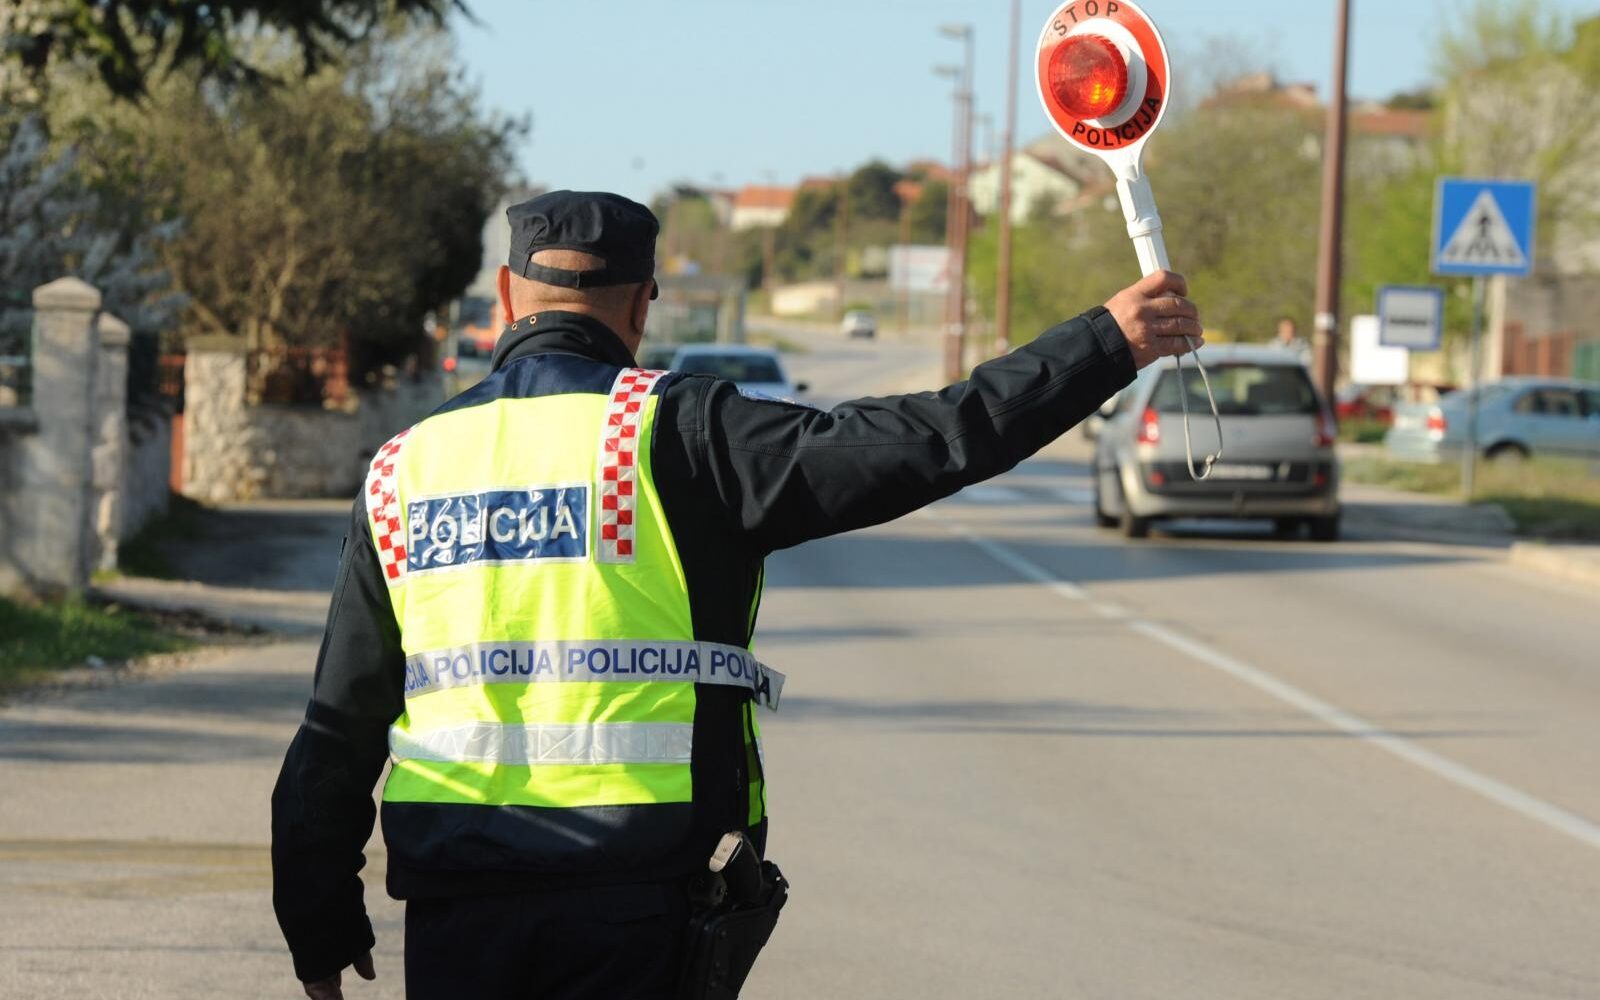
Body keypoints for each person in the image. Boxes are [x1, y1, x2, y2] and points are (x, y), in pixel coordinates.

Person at [271, 190, 1203, 1000]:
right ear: (641, 304)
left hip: (455, 911)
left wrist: (318, 915)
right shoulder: (677, 432)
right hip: (637, 904)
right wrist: (1101, 345)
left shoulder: (404, 466)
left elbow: (339, 721)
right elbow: (922, 442)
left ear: (508, 298)